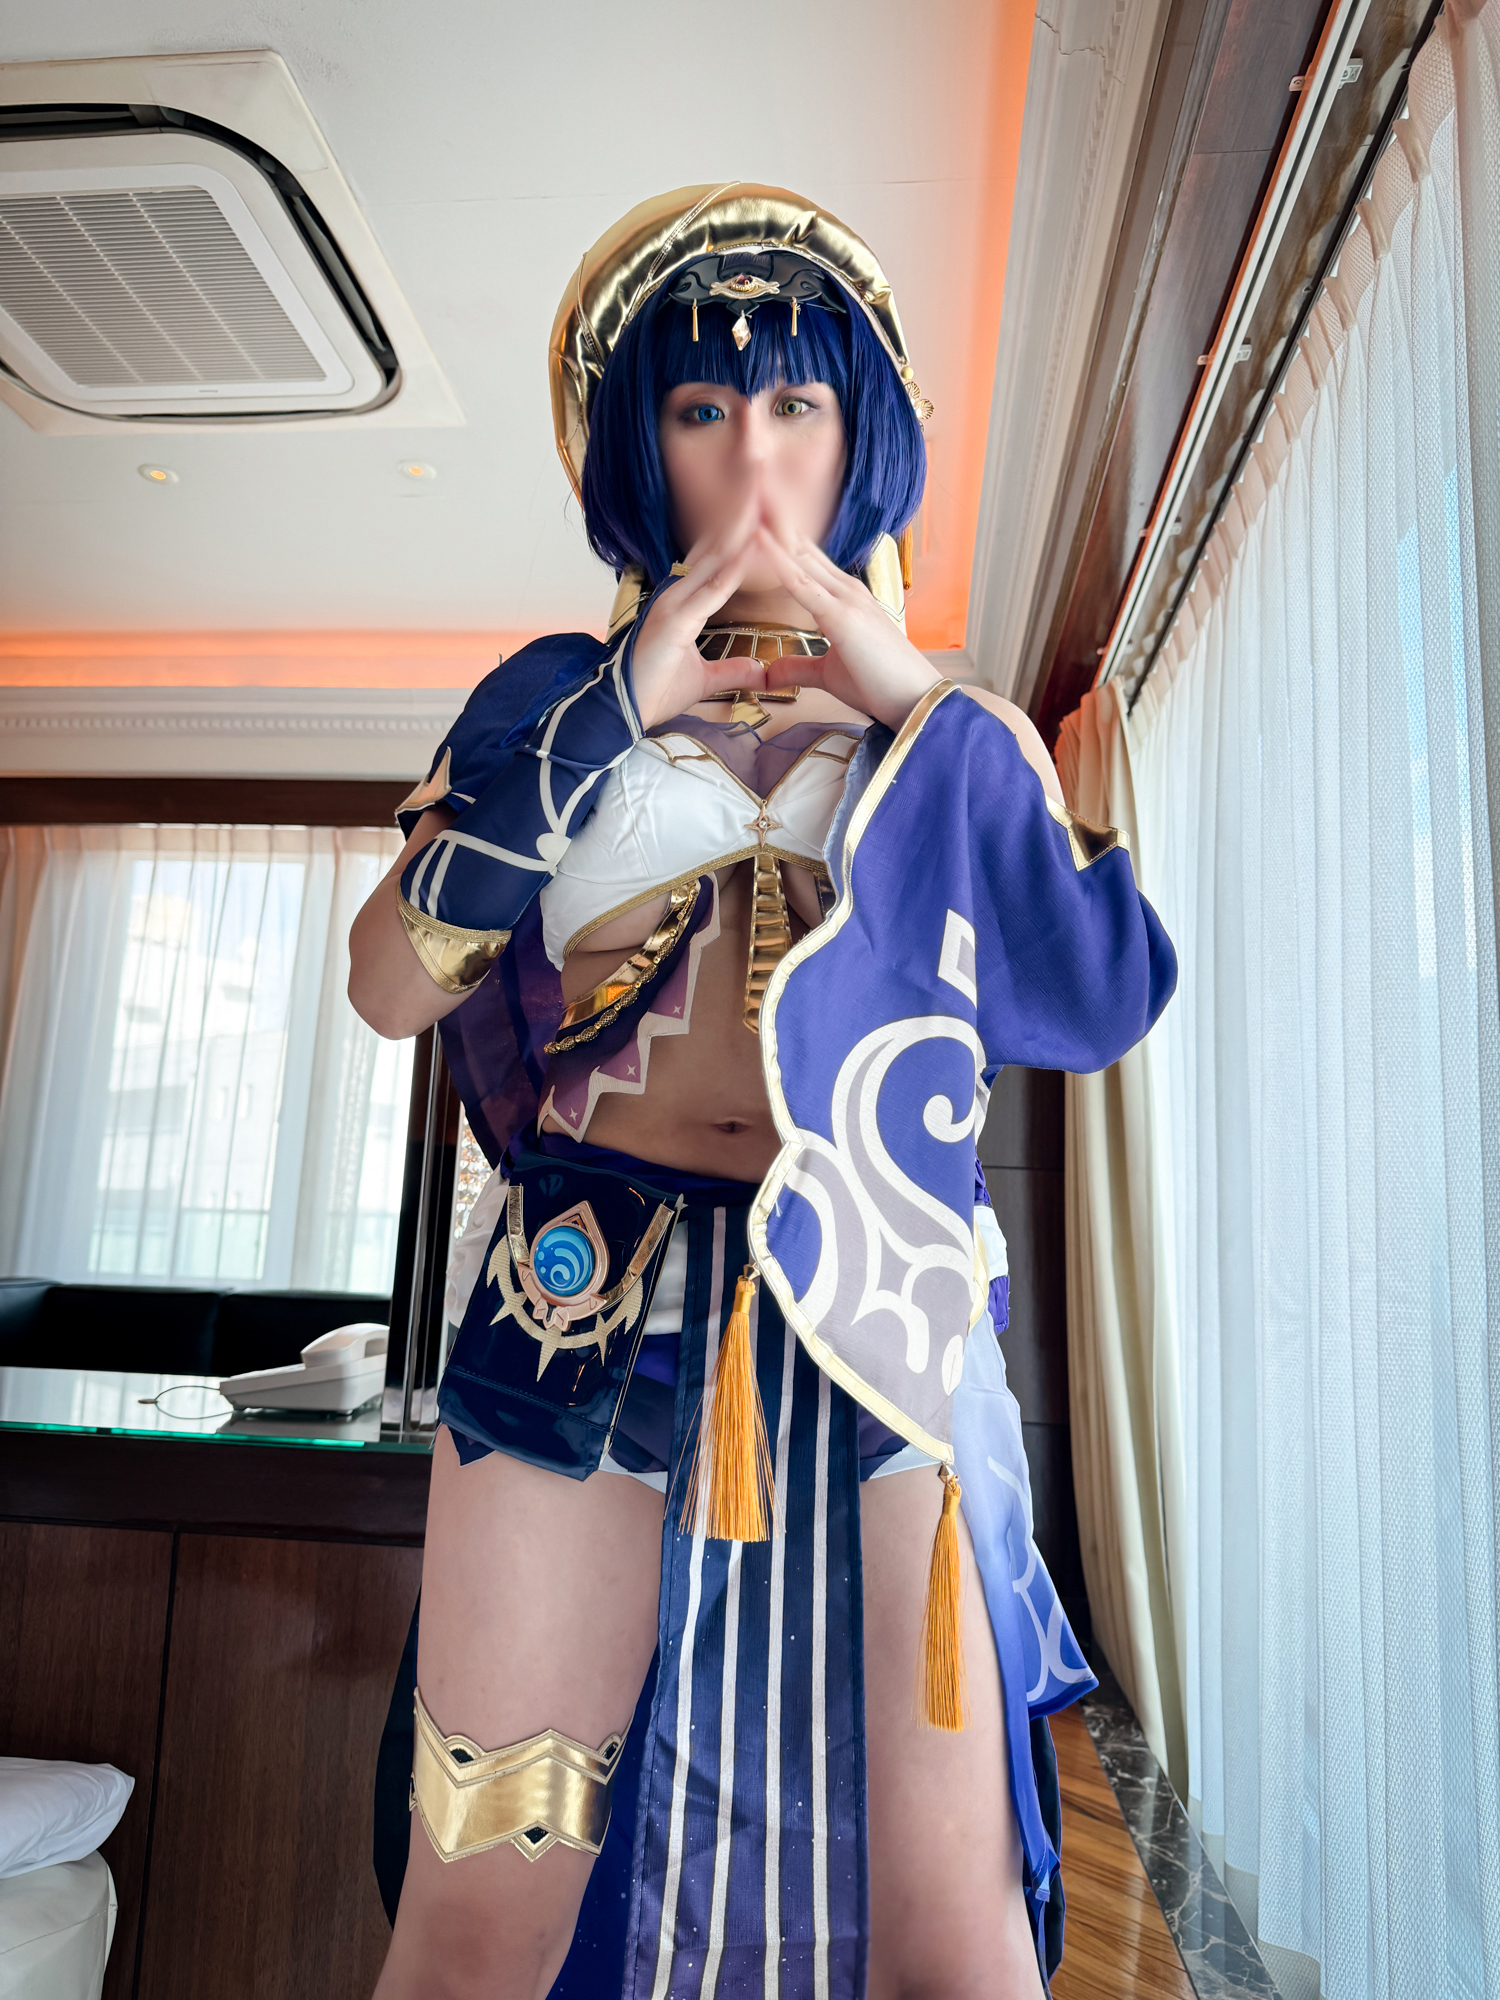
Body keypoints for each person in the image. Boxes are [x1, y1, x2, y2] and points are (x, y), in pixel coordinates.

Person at [351, 183, 1175, 2000]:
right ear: (641, 445)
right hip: (575, 1299)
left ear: (858, 435)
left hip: (884, 1299)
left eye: (797, 402)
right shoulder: (545, 700)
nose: (753, 456)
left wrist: (907, 692)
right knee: (482, 1914)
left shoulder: (955, 727)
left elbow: (1099, 996)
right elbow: (388, 983)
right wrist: (618, 703)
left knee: (950, 1931)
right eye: (703, 406)